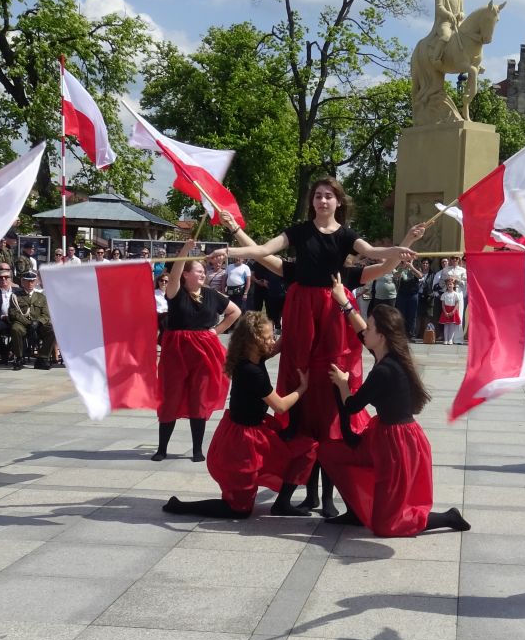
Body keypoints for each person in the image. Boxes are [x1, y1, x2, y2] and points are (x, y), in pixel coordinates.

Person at [215, 177, 412, 459]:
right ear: (312, 201)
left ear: (338, 201)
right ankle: (296, 423)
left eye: (328, 196)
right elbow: (263, 251)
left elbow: (372, 253)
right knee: (298, 362)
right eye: (318, 195)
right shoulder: (299, 232)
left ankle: (340, 423)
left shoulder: (346, 236)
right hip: (302, 308)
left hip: (333, 308)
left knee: (335, 364)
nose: (322, 200)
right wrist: (230, 244)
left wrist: (400, 247)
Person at [319, 281, 471, 536]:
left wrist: (343, 383)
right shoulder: (386, 354)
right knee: (330, 452)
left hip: (398, 445)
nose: (365, 332)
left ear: (381, 336)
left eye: (370, 328)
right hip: (383, 437)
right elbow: (360, 331)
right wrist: (345, 304)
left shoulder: (386, 370)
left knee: (386, 525)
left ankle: (448, 517)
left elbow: (353, 405)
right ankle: (356, 511)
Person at [163, 312, 315, 519]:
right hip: (241, 443)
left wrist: (296, 321)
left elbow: (277, 347)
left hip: (256, 431)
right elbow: (280, 406)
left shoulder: (252, 356)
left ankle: (282, 503)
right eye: (268, 337)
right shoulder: (251, 371)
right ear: (254, 342)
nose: (273, 341)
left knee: (305, 448)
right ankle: (180, 507)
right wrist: (302, 388)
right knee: (239, 509)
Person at [154, 239, 241, 462]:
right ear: (186, 274)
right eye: (198, 271)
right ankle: (162, 448)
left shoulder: (212, 295)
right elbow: (174, 274)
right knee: (171, 396)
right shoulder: (176, 292)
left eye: (204, 271)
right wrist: (185, 250)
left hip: (204, 352)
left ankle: (197, 450)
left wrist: (216, 330)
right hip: (177, 351)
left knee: (199, 398)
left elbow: (235, 312)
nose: (203, 274)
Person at [10, 271, 56, 370]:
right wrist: (29, 323)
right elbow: (14, 313)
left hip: (38, 325)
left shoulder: (41, 297)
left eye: (32, 281)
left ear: (36, 282)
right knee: (15, 329)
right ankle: (19, 358)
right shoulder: (15, 296)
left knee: (52, 330)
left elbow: (46, 314)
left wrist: (38, 322)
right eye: (27, 281)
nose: (30, 283)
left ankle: (42, 358)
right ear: (22, 282)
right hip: (22, 324)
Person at [394, 259, 424, 337]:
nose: (407, 261)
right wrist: (402, 268)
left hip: (413, 294)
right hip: (402, 294)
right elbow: (395, 276)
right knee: (401, 314)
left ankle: (411, 333)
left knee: (412, 315)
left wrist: (411, 267)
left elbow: (420, 276)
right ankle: (402, 333)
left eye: (409, 260)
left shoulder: (416, 266)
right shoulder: (400, 266)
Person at [438, 276, 464, 344]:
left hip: (453, 310)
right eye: (448, 284)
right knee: (446, 326)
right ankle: (446, 339)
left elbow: (457, 303)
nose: (449, 285)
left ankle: (450, 339)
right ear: (446, 285)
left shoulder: (456, 294)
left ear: (453, 285)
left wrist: (453, 311)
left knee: (452, 326)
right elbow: (443, 304)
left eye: (451, 284)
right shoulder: (444, 294)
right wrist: (445, 312)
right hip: (446, 310)